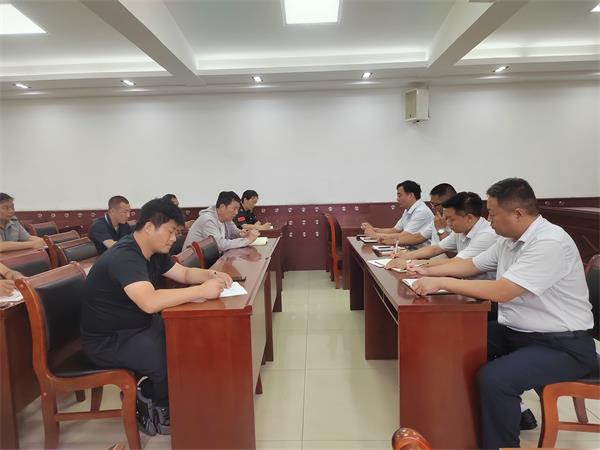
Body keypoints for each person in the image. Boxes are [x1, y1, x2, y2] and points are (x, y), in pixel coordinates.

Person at [408, 178, 596, 449]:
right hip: (519, 333)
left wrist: (441, 282)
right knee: (457, 342)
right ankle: (461, 428)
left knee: (496, 379)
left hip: (563, 345)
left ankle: (502, 445)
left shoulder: (550, 242)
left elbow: (503, 291)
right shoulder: (509, 240)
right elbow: (472, 265)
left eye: (493, 214)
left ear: (517, 213)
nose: (489, 219)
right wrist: (425, 271)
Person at [81, 198, 233, 436]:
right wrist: (201, 291)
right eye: (170, 231)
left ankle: (178, 397)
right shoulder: (125, 256)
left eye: (176, 233)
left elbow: (184, 273)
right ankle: (156, 403)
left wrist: (211, 275)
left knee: (187, 340)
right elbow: (149, 302)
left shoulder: (154, 251)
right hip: (108, 340)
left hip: (137, 326)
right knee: (166, 355)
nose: (173, 239)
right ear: (150, 227)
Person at [386, 192, 498, 276]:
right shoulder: (461, 230)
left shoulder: (487, 235)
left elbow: (456, 262)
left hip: (483, 295)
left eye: (451, 219)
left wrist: (410, 263)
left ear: (469, 218)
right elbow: (435, 249)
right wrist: (404, 257)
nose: (448, 223)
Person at [362, 180, 433, 246]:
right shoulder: (408, 209)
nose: (397, 199)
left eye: (399, 196)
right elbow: (395, 230)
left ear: (411, 195)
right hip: (410, 248)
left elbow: (404, 236)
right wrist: (373, 229)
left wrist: (375, 235)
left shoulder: (421, 212)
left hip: (422, 251)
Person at [183, 191, 259, 252]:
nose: (236, 212)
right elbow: (220, 245)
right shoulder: (207, 220)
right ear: (222, 207)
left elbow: (234, 233)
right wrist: (247, 240)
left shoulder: (226, 219)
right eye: (234, 209)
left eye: (237, 209)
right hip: (193, 263)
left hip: (211, 259)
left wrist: (243, 234)